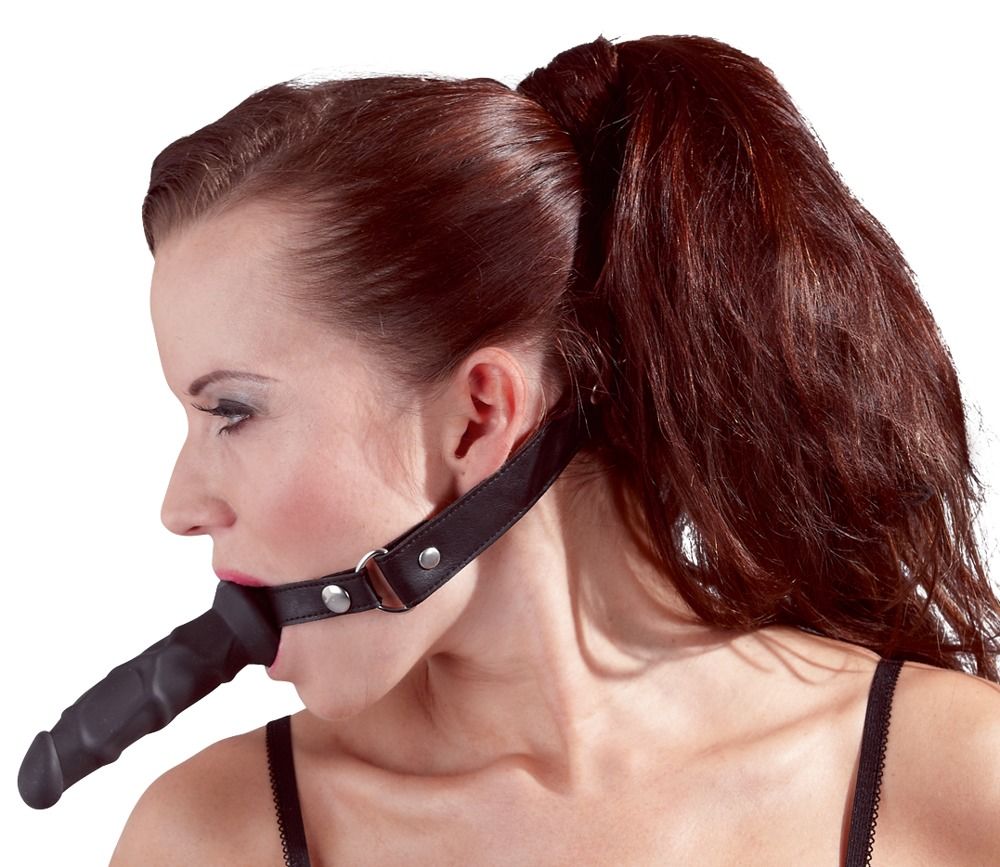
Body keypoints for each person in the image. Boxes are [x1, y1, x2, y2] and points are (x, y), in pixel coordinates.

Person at [109, 33, 1000, 866]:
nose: (179, 507)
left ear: (478, 417)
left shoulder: (958, 780)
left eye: (232, 411)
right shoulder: (211, 838)